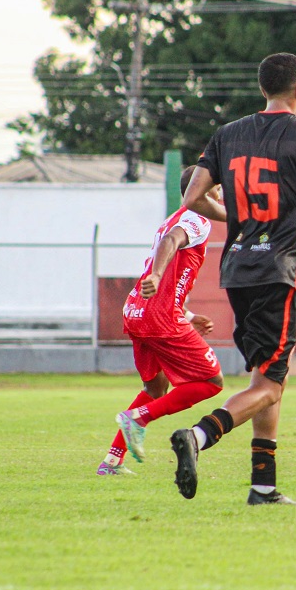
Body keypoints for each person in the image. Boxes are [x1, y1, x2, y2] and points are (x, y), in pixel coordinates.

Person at [169, 52, 296, 505]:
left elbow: (192, 196)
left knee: (267, 375)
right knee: (270, 386)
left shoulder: (227, 134)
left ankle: (263, 487)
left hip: (238, 268)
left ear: (264, 89)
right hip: (278, 269)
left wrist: (239, 224)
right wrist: (287, 234)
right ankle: (199, 437)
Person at [97, 165, 225, 476]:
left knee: (155, 388)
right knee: (211, 382)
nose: (221, 193)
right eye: (218, 188)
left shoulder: (173, 217)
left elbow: (172, 274)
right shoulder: (197, 218)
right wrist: (156, 274)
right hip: (159, 316)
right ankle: (137, 419)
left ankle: (112, 461)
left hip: (137, 311)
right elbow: (171, 242)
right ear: (205, 191)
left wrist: (189, 315)